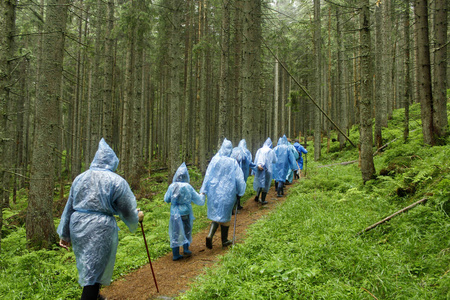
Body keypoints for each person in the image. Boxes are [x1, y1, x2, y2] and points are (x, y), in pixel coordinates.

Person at [57, 138, 143, 300]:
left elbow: (69, 207)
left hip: (78, 226)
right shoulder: (116, 181)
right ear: (112, 162)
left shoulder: (80, 178)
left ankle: (95, 296)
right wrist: (136, 216)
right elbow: (125, 208)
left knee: (90, 266)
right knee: (94, 270)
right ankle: (90, 296)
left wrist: (65, 234)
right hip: (100, 228)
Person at [200, 138, 246, 249]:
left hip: (214, 193)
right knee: (225, 217)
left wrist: (203, 190)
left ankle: (210, 235)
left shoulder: (214, 160)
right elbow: (239, 179)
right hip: (228, 193)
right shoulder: (233, 162)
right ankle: (224, 240)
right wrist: (240, 191)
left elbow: (208, 175)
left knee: (216, 216)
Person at [164, 162, 205, 261]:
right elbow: (198, 199)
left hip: (175, 213)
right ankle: (186, 249)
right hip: (186, 212)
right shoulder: (188, 186)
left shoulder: (172, 186)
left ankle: (176, 254)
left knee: (175, 232)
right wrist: (203, 194)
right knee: (187, 230)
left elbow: (166, 199)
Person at [230, 139, 255, 210]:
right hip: (243, 173)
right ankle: (236, 205)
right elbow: (249, 162)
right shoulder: (246, 152)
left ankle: (235, 206)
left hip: (233, 173)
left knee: (234, 188)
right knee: (240, 188)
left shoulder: (234, 151)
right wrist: (255, 167)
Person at [253, 137, 277, 205]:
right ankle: (263, 200)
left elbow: (256, 159)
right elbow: (275, 160)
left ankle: (257, 196)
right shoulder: (271, 151)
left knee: (259, 182)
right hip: (268, 170)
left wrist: (255, 168)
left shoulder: (259, 150)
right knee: (266, 184)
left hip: (259, 168)